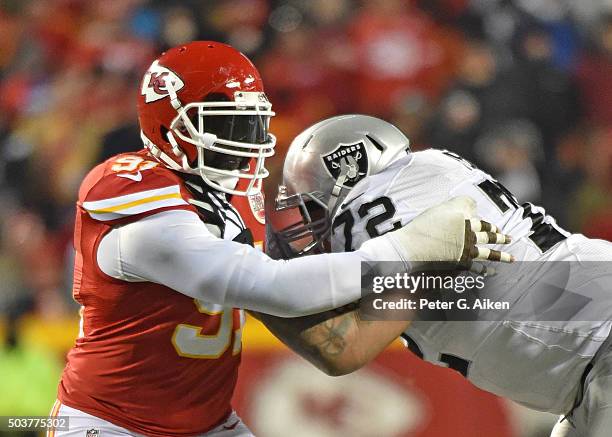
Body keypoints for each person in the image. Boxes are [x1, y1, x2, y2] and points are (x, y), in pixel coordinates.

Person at [48, 43, 511, 437]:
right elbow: (273, 287)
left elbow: (313, 313)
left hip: (205, 421)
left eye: (251, 124)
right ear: (170, 124)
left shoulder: (231, 191)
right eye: (226, 126)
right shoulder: (137, 197)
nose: (245, 142)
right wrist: (415, 247)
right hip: (110, 423)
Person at [262, 114, 612, 437]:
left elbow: (342, 346)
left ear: (347, 171)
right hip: (586, 372)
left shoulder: (376, 207)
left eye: (311, 207)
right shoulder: (424, 174)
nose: (310, 224)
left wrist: (248, 281)